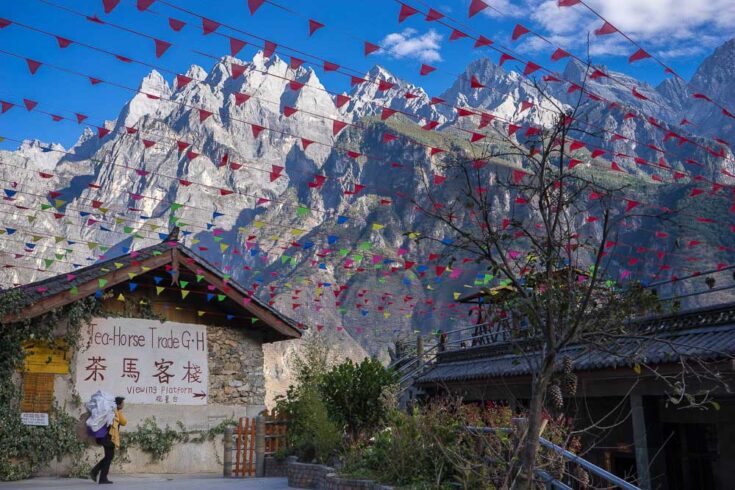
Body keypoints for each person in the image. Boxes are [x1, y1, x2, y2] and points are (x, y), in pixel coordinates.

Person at [90, 396, 127, 484]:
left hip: (105, 437)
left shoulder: (112, 411)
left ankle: (95, 472)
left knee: (109, 457)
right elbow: (124, 422)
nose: (124, 404)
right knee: (109, 457)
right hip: (108, 438)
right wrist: (119, 411)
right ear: (119, 404)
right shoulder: (115, 412)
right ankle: (102, 477)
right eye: (123, 403)